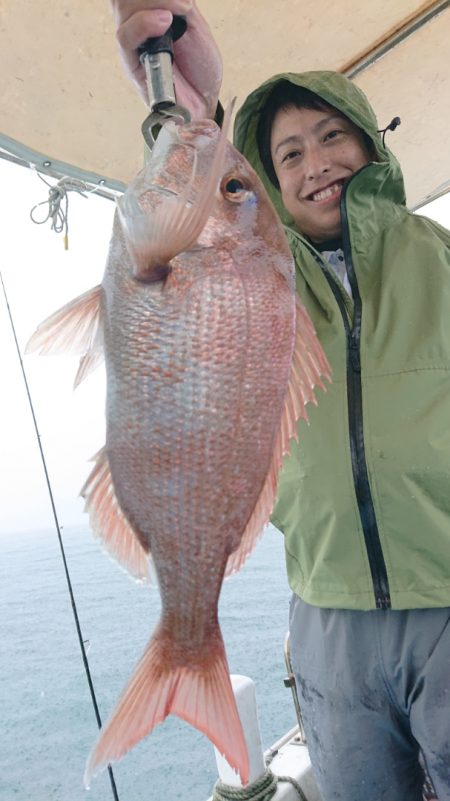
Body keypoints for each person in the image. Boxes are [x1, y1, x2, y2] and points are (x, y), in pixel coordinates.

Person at [110, 3, 450, 799]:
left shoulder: (438, 260)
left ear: (373, 147)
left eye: (334, 136)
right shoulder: (264, 274)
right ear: (270, 182)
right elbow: (189, 210)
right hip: (327, 613)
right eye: (288, 152)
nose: (316, 162)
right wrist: (188, 111)